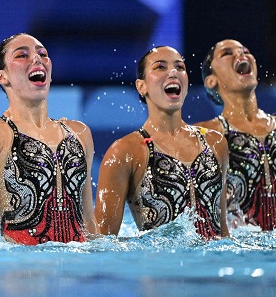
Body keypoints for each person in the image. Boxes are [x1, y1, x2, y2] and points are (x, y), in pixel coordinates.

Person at [0, 33, 95, 250]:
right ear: (2, 77)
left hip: (78, 267)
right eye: (22, 55)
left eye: (43, 54)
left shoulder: (79, 134)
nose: (37, 59)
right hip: (21, 272)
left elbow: (88, 220)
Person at [95, 45, 229, 239]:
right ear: (141, 86)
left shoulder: (216, 143)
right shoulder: (125, 152)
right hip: (162, 267)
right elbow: (103, 242)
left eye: (180, 67)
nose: (173, 73)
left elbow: (223, 231)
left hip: (215, 266)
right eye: (160, 67)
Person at [196, 39, 276, 230]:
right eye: (227, 53)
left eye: (245, 51)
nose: (241, 55)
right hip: (241, 251)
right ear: (211, 80)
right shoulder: (206, 135)